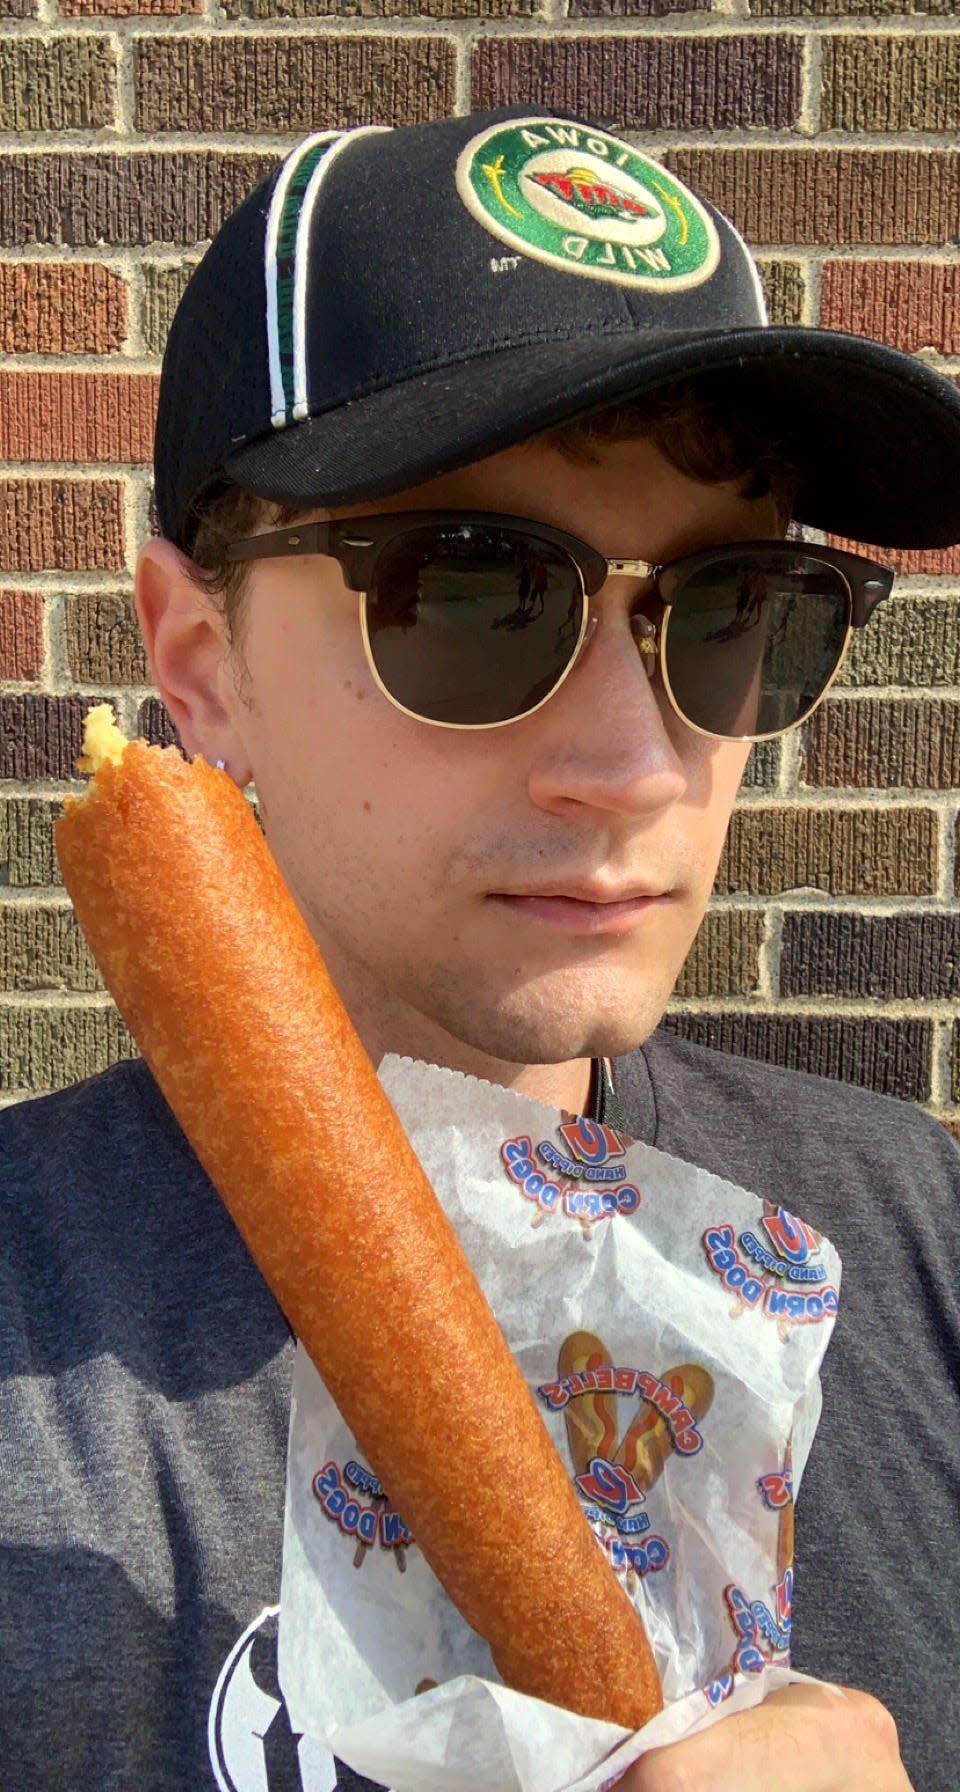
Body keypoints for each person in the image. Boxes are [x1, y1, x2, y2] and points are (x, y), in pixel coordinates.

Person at [2, 107, 959, 1792]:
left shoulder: (920, 1243)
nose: (638, 762)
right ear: (199, 655)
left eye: (736, 608)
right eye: (472, 591)